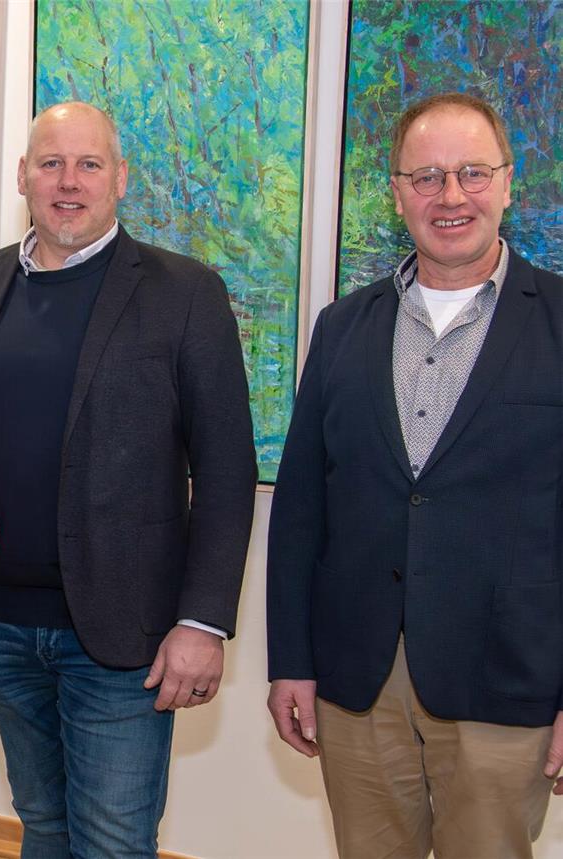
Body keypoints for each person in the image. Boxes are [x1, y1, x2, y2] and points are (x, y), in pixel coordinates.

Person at [0, 101, 257, 856]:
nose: (67, 182)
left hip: (125, 637)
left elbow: (225, 466)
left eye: (88, 164)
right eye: (50, 163)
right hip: (1, 625)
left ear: (121, 179)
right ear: (23, 177)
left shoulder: (185, 292)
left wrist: (203, 621)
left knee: (112, 839)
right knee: (43, 827)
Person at [267, 92, 563, 858]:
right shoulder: (341, 327)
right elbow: (301, 511)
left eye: (472, 172)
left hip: (509, 675)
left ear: (507, 182)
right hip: (357, 677)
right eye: (427, 177)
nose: (451, 195)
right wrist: (291, 662)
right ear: (397, 192)